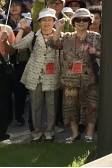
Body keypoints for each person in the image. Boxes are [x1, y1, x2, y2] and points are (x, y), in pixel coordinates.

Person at [48, 8, 101, 143]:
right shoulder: (67, 37)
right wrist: (59, 27)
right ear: (73, 22)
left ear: (89, 21)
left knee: (92, 105)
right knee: (70, 106)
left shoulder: (96, 37)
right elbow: (54, 43)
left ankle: (89, 133)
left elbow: (106, 54)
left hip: (90, 78)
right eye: (78, 19)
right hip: (69, 79)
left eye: (84, 20)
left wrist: (96, 52)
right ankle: (74, 134)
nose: (81, 22)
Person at [12, 9, 61, 141]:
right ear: (39, 22)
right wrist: (21, 29)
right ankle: (37, 133)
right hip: (35, 74)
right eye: (44, 20)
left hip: (52, 75)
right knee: (35, 105)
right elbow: (16, 45)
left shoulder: (59, 35)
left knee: (52, 105)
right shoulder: (33, 35)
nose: (46, 23)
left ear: (54, 22)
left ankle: (50, 132)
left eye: (49, 20)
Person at [0, 22, 16, 142]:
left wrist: (5, 41)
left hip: (2, 69)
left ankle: (1, 132)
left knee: (3, 100)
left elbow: (12, 51)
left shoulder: (6, 28)